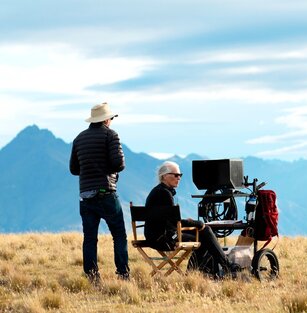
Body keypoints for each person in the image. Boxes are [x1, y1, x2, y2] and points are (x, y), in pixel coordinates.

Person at [144, 161, 237, 278]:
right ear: (164, 176)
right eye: (175, 175)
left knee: (205, 231)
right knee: (204, 238)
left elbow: (170, 220)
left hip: (158, 235)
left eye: (180, 175)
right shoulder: (164, 194)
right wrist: (197, 223)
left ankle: (222, 267)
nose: (179, 178)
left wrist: (196, 224)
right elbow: (175, 222)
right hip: (163, 238)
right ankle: (219, 268)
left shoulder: (158, 191)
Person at [69, 102, 130, 283]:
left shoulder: (79, 138)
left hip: (85, 195)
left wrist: (90, 169)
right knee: (119, 234)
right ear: (106, 120)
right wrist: (106, 168)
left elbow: (74, 169)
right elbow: (119, 164)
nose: (111, 120)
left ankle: (92, 277)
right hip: (106, 193)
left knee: (89, 238)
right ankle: (123, 274)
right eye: (110, 118)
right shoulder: (111, 135)